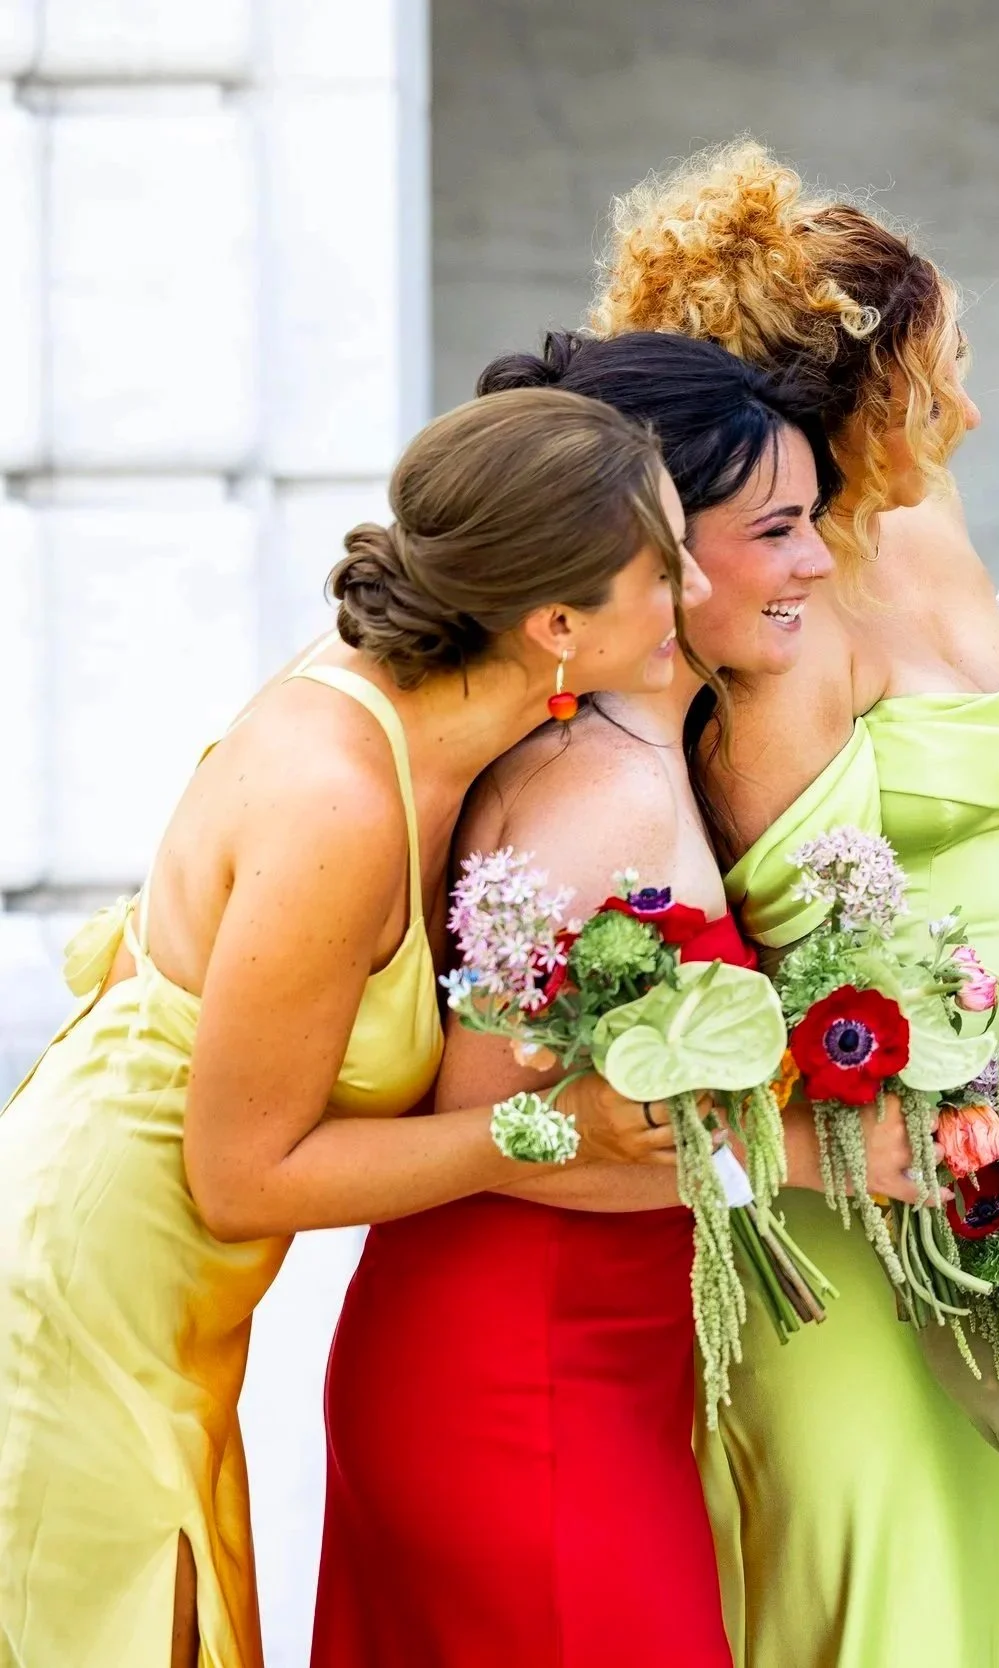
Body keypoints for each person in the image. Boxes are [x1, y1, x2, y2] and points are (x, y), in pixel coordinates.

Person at [0, 388, 684, 1668]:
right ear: (552, 625)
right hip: (83, 1297)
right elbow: (242, 1175)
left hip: (179, 1312)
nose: (686, 587)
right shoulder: (338, 801)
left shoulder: (447, 725)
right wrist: (551, 1129)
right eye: (660, 568)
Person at [592, 141, 999, 1668]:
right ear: (863, 385)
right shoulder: (776, 622)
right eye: (943, 368)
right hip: (872, 1188)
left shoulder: (931, 528)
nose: (968, 405)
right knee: (906, 1592)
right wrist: (912, 1129)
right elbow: (769, 939)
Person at [311, 330, 851, 1666]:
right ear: (656, 549)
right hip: (516, 1382)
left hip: (608, 1367)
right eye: (775, 531)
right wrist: (820, 1162)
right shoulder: (587, 792)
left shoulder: (654, 754)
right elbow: (503, 1136)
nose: (816, 565)